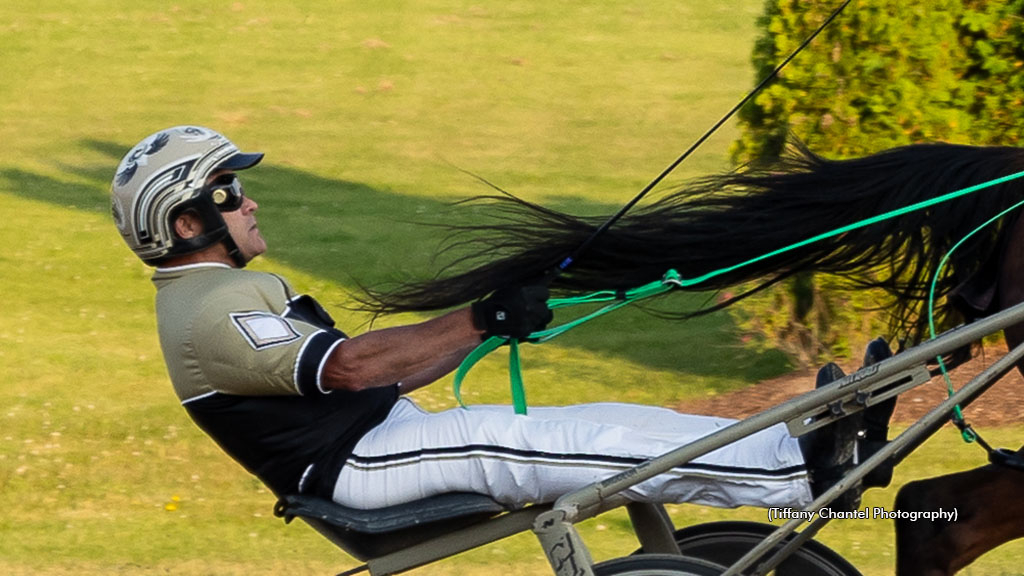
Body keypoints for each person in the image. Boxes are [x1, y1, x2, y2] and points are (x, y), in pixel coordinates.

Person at [111, 125, 882, 512]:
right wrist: (479, 316)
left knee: (607, 417)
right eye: (227, 194)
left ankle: (790, 445)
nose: (248, 202)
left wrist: (488, 324)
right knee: (545, 442)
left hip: (377, 436)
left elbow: (388, 370)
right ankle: (793, 475)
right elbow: (348, 368)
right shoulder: (206, 310)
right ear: (184, 222)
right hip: (354, 467)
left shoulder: (218, 294)